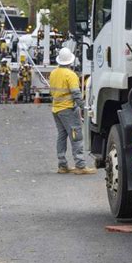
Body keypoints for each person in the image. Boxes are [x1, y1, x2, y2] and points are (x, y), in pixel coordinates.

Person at [49, 47, 95, 175]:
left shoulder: (53, 73)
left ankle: (62, 165)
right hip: (68, 109)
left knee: (62, 137)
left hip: (56, 109)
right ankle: (80, 165)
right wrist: (84, 107)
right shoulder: (70, 75)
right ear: (70, 61)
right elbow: (75, 93)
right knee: (76, 137)